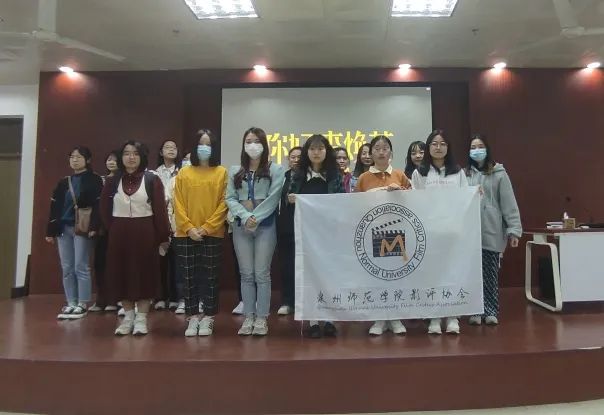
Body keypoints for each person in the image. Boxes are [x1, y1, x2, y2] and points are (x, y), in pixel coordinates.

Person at [100, 140, 170, 335]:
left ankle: (141, 318)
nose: (131, 157)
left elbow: (160, 211)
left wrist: (162, 236)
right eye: (127, 153)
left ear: (142, 157)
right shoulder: (112, 181)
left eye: (135, 153)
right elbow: (104, 210)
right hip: (119, 232)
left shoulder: (152, 179)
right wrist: (113, 228)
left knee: (144, 273)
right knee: (121, 273)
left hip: (145, 231)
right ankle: (128, 317)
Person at [226, 127, 285, 336]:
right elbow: (230, 198)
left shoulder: (275, 169)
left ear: (264, 145)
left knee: (262, 273)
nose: (253, 145)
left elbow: (274, 197)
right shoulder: (235, 170)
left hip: (265, 226)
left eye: (257, 141)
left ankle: (261, 318)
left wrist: (255, 218)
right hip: (241, 226)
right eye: (248, 141)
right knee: (246, 274)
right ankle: (248, 316)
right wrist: (245, 216)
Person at [288, 134, 345, 338]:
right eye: (312, 149)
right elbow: (289, 197)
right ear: (307, 152)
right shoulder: (298, 174)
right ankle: (312, 320)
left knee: (329, 274)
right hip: (307, 233)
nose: (316, 152)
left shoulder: (335, 175)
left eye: (320, 148)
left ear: (327, 151)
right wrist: (291, 198)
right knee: (309, 274)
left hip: (329, 233)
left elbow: (341, 201)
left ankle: (329, 319)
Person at [411, 130, 468, 335]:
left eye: (443, 143)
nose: (438, 147)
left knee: (452, 273)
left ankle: (452, 317)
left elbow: (465, 198)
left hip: (453, 232)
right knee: (432, 276)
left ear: (448, 147)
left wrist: (476, 194)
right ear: (428, 147)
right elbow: (415, 201)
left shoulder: (457, 172)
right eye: (434, 143)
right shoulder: (420, 173)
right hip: (430, 232)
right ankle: (434, 317)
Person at [174, 130, 228, 336]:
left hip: (212, 232)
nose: (204, 148)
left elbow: (224, 203)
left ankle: (208, 317)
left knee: (210, 276)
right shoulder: (184, 173)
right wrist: (188, 227)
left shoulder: (221, 172)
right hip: (185, 233)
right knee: (188, 276)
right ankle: (192, 317)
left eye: (208, 144)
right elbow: (178, 203)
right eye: (200, 144)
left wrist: (206, 228)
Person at [356, 135, 412, 336]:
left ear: (391, 152)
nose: (381, 152)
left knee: (395, 275)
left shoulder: (399, 174)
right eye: (377, 148)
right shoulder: (363, 178)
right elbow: (354, 205)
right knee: (376, 276)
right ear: (370, 153)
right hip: (372, 233)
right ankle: (379, 318)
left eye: (385, 148)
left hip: (396, 232)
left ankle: (395, 317)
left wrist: (401, 191)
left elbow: (416, 200)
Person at [466, 133, 522, 326]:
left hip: (492, 230)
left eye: (480, 146)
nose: (476, 150)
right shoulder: (465, 174)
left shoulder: (499, 173)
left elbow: (509, 203)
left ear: (487, 149)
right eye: (473, 147)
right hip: (470, 233)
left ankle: (490, 310)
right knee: (472, 274)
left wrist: (514, 230)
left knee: (490, 274)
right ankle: (475, 310)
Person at [45, 146, 103, 319]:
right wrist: (50, 231)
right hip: (63, 228)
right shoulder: (64, 182)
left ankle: (82, 303)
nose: (75, 160)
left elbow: (97, 205)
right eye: (72, 157)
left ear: (87, 160)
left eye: (78, 157)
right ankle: (71, 301)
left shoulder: (94, 179)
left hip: (82, 228)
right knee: (67, 267)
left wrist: (94, 227)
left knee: (81, 265)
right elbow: (55, 207)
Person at [89, 150, 120, 313]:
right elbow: (96, 206)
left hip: (117, 227)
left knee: (115, 265)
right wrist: (94, 227)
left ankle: (115, 300)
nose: (111, 162)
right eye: (109, 159)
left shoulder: (123, 180)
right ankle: (101, 299)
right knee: (100, 265)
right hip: (101, 229)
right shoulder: (100, 180)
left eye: (115, 160)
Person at [154, 139, 181, 311]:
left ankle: (176, 297)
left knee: (176, 261)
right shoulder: (154, 173)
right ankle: (160, 297)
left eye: (174, 147)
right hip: (159, 219)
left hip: (177, 219)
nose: (171, 150)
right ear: (161, 152)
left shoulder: (182, 172)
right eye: (167, 147)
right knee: (160, 261)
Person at [276, 146, 303, 316]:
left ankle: (301, 301)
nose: (296, 160)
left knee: (301, 266)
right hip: (285, 227)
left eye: (299, 157)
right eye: (293, 157)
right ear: (288, 159)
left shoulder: (308, 177)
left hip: (303, 227)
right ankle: (287, 301)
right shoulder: (282, 177)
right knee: (286, 265)